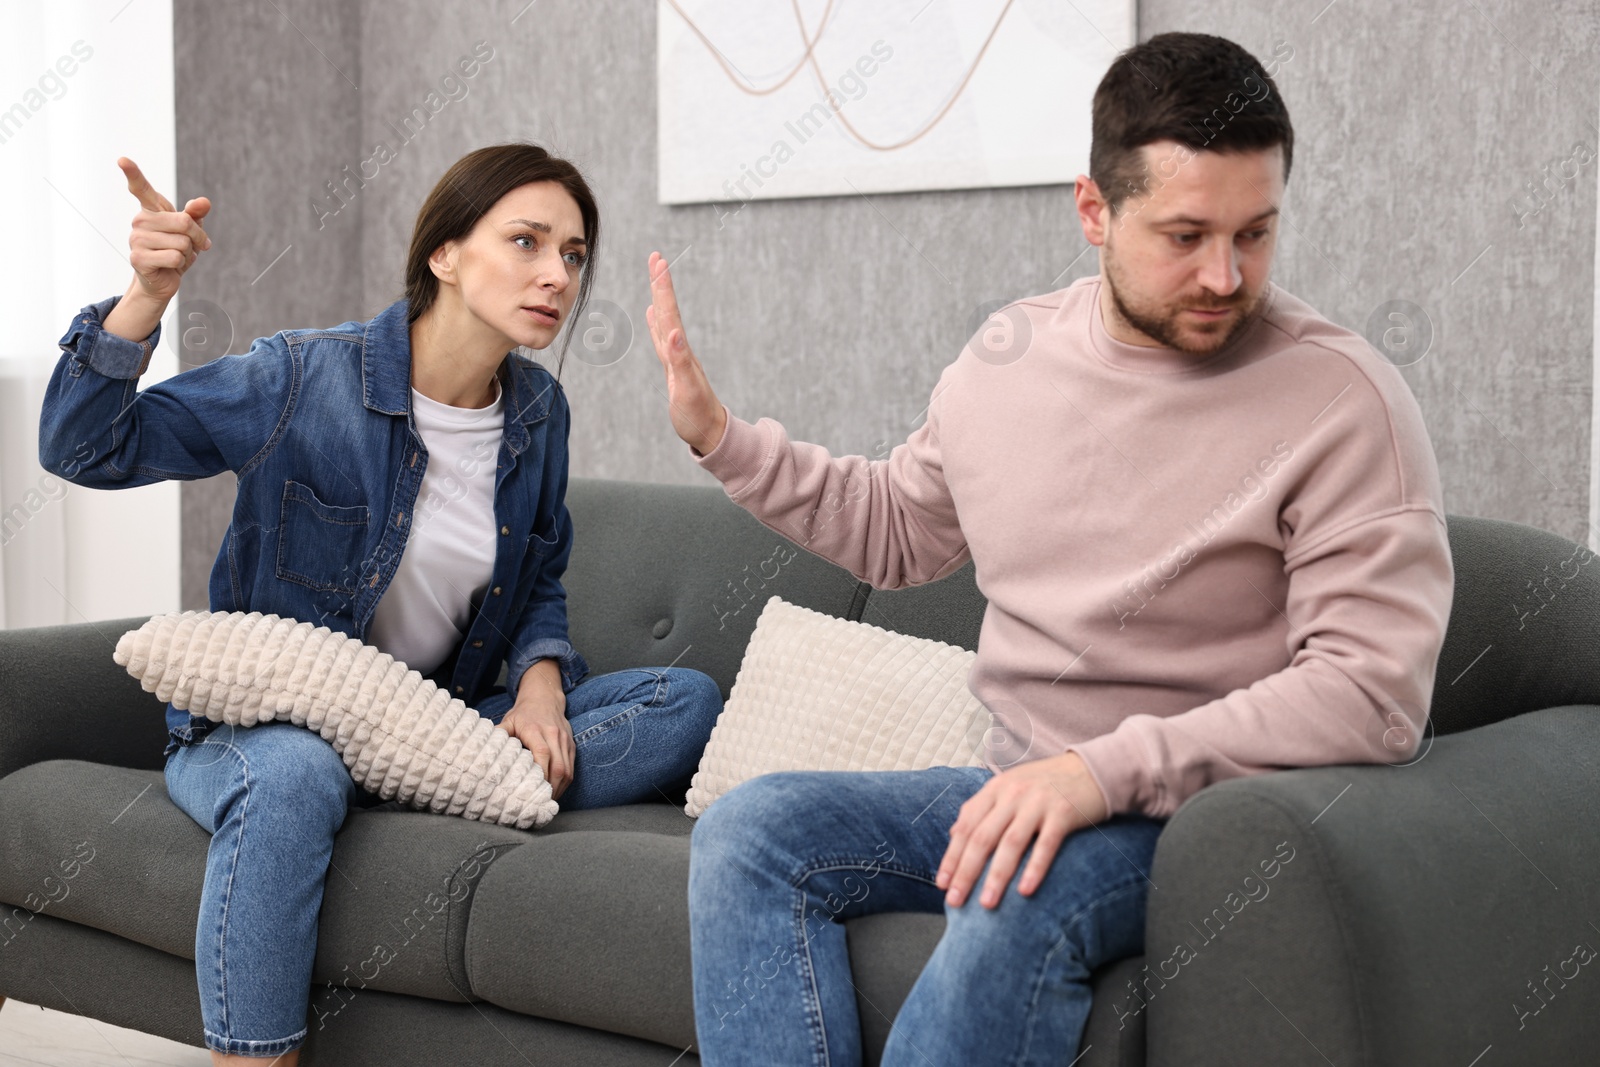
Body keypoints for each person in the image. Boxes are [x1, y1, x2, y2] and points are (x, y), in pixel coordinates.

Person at [647, 32, 1453, 1065]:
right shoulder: (1007, 360)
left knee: (1013, 892)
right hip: (1019, 784)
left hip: (1197, 819)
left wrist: (1098, 772)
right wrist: (721, 438)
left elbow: (1371, 693)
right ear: (1093, 212)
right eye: (1185, 234)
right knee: (752, 832)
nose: (1225, 273)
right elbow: (897, 531)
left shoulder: (1346, 403)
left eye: (1256, 232)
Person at [38, 142, 723, 1065]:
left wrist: (541, 688)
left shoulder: (537, 415)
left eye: (571, 254)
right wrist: (145, 301)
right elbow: (83, 448)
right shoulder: (300, 379)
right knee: (295, 776)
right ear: (444, 252)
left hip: (438, 721)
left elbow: (542, 575)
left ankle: (411, 788)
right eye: (525, 241)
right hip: (268, 730)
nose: (555, 275)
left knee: (681, 705)